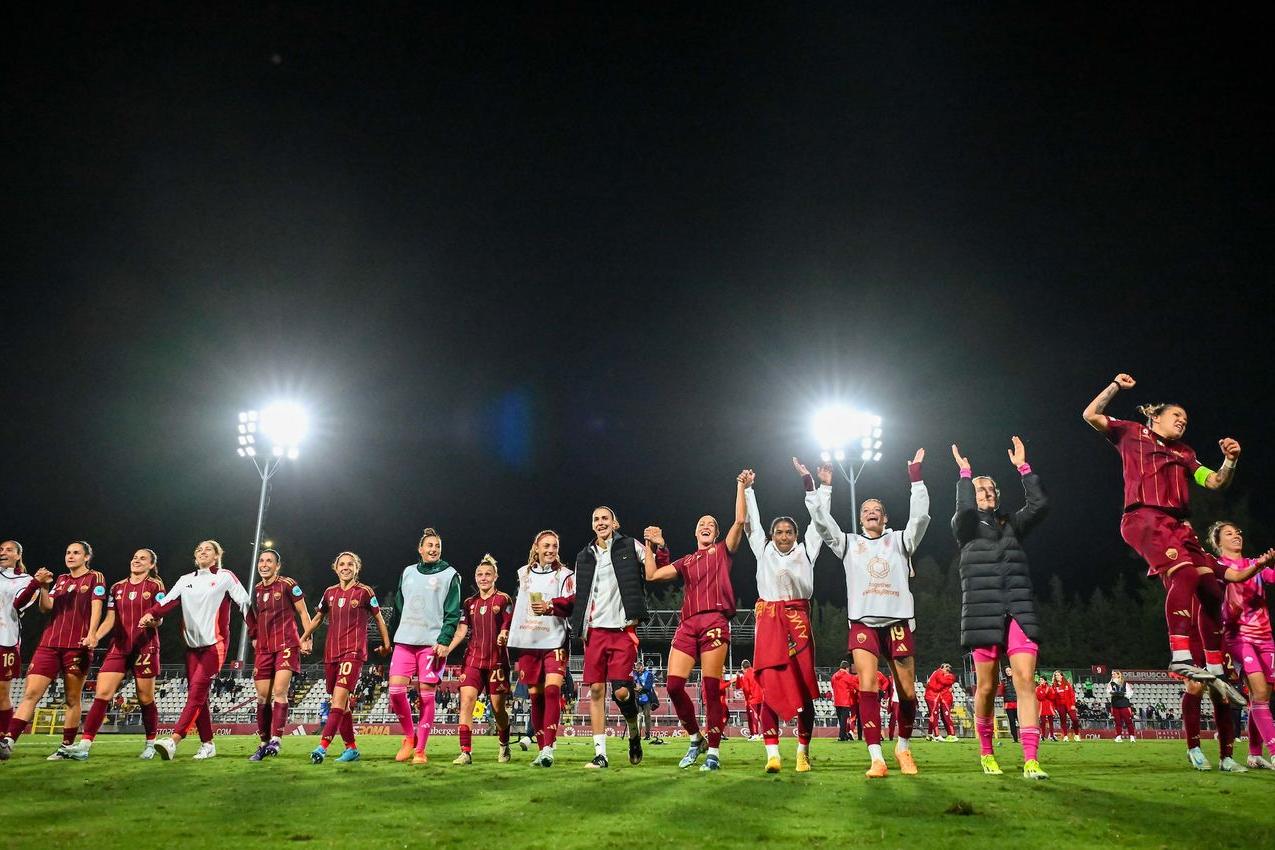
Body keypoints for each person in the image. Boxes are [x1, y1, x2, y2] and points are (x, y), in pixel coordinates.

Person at [1082, 374, 1246, 704]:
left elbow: (1214, 482)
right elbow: (1090, 415)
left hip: (1179, 526)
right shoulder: (1131, 433)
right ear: (1155, 417)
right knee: (1184, 574)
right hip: (1144, 517)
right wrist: (1115, 386)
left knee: (1211, 588)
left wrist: (1230, 461)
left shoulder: (1185, 453)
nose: (1182, 421)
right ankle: (1181, 655)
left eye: (1186, 419)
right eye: (1176, 415)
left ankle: (1215, 666)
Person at [806, 449, 929, 778]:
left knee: (907, 692)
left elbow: (920, 519)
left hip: (898, 623)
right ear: (861, 519)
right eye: (866, 510)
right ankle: (876, 757)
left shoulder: (901, 541)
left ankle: (903, 747)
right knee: (868, 685)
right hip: (863, 624)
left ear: (885, 518)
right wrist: (816, 488)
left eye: (877, 510)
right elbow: (822, 524)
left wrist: (916, 479)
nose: (871, 513)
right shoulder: (849, 543)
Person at [952, 437, 1050, 779]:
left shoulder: (1012, 525)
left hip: (1018, 610)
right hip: (983, 613)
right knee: (987, 687)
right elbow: (965, 511)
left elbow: (1039, 505)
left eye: (991, 489)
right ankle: (986, 752)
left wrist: (1024, 468)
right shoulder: (965, 528)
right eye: (980, 491)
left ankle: (1031, 760)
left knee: (1025, 680)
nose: (987, 493)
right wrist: (966, 476)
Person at [643, 473, 747, 772]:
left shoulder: (723, 551)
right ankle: (695, 738)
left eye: (711, 524)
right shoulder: (687, 561)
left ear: (716, 533)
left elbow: (740, 521)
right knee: (674, 685)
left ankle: (713, 751)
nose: (706, 525)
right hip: (687, 624)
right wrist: (651, 545)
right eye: (702, 523)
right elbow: (652, 575)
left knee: (711, 688)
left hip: (715, 621)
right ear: (695, 531)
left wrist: (740, 486)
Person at [742, 462, 829, 772]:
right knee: (769, 688)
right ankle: (772, 754)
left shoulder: (806, 551)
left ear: (796, 534)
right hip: (769, 623)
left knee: (803, 689)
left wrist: (819, 487)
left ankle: (803, 752)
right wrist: (748, 490)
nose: (783, 536)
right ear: (772, 534)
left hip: (798, 622)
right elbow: (751, 523)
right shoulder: (763, 550)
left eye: (789, 532)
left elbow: (820, 522)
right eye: (778, 532)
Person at [572, 505, 667, 768]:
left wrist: (659, 546)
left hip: (623, 630)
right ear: (592, 525)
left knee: (623, 692)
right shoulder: (584, 556)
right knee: (595, 690)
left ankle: (634, 733)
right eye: (596, 519)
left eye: (605, 518)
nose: (601, 522)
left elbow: (656, 569)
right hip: (594, 632)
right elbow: (579, 595)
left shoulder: (630, 545)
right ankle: (600, 754)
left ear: (615, 523)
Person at [138, 540, 250, 760]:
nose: (202, 552)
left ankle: (173, 740)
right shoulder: (185, 580)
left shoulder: (225, 576)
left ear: (217, 555)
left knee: (197, 692)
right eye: (199, 549)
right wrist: (151, 613)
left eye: (208, 549)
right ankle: (208, 744)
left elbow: (245, 602)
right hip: (191, 649)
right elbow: (167, 602)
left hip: (215, 645)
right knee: (198, 697)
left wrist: (254, 633)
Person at [1, 541, 104, 761]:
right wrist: (44, 588)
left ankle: (66, 747)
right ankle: (8, 741)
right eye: (68, 552)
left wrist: (92, 634)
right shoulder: (62, 579)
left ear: (87, 557)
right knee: (31, 694)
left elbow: (97, 606)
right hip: (49, 644)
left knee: (72, 699)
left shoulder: (95, 577)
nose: (70, 556)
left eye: (76, 553)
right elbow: (46, 607)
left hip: (77, 645)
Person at [66, 549, 166, 760]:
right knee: (102, 693)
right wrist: (94, 636)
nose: (136, 560)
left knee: (145, 697)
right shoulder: (117, 588)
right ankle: (84, 746)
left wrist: (152, 620)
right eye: (135, 557)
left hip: (145, 647)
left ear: (151, 565)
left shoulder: (155, 586)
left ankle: (150, 743)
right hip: (119, 647)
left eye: (142, 558)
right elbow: (110, 619)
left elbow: (160, 618)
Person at [301, 551, 391, 764]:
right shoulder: (329, 592)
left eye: (350, 564)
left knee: (338, 700)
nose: (346, 567)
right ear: (336, 568)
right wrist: (303, 637)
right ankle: (351, 749)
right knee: (342, 705)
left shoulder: (364, 592)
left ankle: (322, 747)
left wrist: (387, 644)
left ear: (357, 568)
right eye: (342, 564)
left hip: (353, 652)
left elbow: (379, 618)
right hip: (331, 653)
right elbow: (318, 617)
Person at [386, 528, 461, 765]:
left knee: (426, 696)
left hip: (431, 644)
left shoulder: (450, 574)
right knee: (395, 691)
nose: (434, 549)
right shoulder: (408, 572)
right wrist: (390, 638)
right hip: (404, 641)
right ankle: (410, 737)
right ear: (420, 549)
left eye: (437, 546)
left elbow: (452, 612)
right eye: (430, 545)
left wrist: (445, 640)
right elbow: (398, 607)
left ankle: (420, 750)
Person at [1207, 521, 1275, 768]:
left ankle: (1254, 754)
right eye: (1229, 533)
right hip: (1239, 637)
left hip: (1266, 638)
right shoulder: (1219, 567)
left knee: (1262, 697)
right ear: (1218, 542)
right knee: (1259, 693)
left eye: (1237, 532)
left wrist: (1266, 564)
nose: (1236, 536)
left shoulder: (1255, 564)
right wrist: (1260, 565)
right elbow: (1233, 581)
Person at [507, 529, 575, 767]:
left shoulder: (565, 575)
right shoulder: (523, 574)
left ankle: (548, 748)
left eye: (554, 546)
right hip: (530, 641)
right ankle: (541, 749)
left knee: (552, 691)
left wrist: (551, 606)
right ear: (536, 548)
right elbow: (518, 607)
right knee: (535, 697)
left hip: (555, 639)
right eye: (546, 546)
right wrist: (508, 630)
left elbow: (573, 602)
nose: (550, 550)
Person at [447, 553, 514, 765]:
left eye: (487, 574)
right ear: (475, 577)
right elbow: (461, 631)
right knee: (466, 701)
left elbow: (507, 623)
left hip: (497, 661)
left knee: (498, 709)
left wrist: (504, 634)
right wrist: (446, 649)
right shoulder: (469, 603)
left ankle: (504, 744)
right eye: (480, 574)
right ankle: (465, 752)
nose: (483, 578)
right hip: (473, 659)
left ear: (495, 577)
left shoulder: (503, 599)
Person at [245, 549, 312, 761]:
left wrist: (307, 637)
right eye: (261, 561)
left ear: (277, 566)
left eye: (269, 561)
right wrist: (254, 637)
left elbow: (303, 612)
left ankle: (276, 739)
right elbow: (255, 616)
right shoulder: (257, 589)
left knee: (279, 691)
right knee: (262, 697)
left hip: (287, 645)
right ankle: (263, 742)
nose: (264, 564)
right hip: (264, 649)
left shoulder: (288, 584)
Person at [0, 540, 39, 743]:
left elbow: (19, 603)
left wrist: (36, 584)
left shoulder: (26, 580)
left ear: (18, 555)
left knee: (1, 693)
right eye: (1, 549)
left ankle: (3, 739)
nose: (3, 552)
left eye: (9, 550)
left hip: (5, 639)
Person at [925, 663, 958, 741]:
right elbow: (941, 683)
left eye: (948, 670)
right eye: (946, 669)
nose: (947, 671)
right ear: (942, 668)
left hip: (943, 698)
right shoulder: (939, 673)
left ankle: (932, 734)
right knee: (936, 716)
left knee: (942, 716)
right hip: (935, 697)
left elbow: (944, 682)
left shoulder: (947, 675)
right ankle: (937, 735)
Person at [735, 660, 763, 740]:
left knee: (754, 716)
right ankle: (762, 733)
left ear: (743, 667)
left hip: (752, 699)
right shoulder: (756, 672)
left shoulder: (746, 675)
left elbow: (746, 689)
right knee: (760, 716)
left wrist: (748, 698)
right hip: (761, 697)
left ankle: (755, 734)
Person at [633, 660, 659, 741]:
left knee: (647, 716)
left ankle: (647, 735)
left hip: (646, 698)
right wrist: (634, 687)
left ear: (642, 667)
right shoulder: (634, 674)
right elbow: (632, 684)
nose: (637, 670)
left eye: (638, 668)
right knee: (639, 716)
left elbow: (648, 687)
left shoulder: (649, 674)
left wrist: (640, 688)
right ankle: (638, 735)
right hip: (638, 698)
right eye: (636, 668)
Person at [831, 661, 855, 742]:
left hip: (837, 701)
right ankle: (842, 736)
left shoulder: (834, 676)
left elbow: (832, 686)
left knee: (841, 720)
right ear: (847, 668)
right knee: (844, 720)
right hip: (845, 701)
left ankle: (844, 735)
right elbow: (852, 688)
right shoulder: (848, 676)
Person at [1108, 670, 1135, 741]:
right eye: (1112, 674)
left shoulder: (1125, 683)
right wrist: (1113, 693)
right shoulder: (1110, 683)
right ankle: (1118, 736)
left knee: (1128, 721)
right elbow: (1108, 691)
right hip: (1115, 704)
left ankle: (1132, 736)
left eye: (1114, 674)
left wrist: (1123, 694)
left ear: (1118, 675)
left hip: (1124, 704)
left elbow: (1130, 693)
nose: (1112, 675)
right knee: (1117, 722)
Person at [1053, 671, 1080, 741]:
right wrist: (1055, 707)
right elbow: (1053, 698)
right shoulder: (1054, 686)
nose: (1057, 677)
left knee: (1074, 719)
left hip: (1069, 705)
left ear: (1062, 676)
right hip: (1060, 706)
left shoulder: (1067, 684)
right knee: (1063, 721)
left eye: (1058, 675)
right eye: (1056, 675)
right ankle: (1065, 736)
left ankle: (1076, 735)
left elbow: (1072, 695)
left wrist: (1073, 704)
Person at [1035, 676, 1056, 741]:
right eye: (1040, 680)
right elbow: (1039, 697)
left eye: (1042, 680)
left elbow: (1053, 697)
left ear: (1045, 681)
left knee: (1051, 722)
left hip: (1049, 706)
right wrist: (1046, 694)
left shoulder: (1049, 688)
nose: (1040, 681)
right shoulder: (1037, 688)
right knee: (1042, 722)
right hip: (1042, 706)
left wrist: (1045, 695)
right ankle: (1042, 735)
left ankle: (1052, 736)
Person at [1002, 666, 1020, 743]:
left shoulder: (1017, 679)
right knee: (1012, 722)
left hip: (1017, 703)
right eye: (1007, 671)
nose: (1008, 672)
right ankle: (1015, 738)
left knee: (1021, 721)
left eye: (1009, 670)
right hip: (1008, 704)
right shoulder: (1003, 681)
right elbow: (1002, 692)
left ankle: (1025, 737)